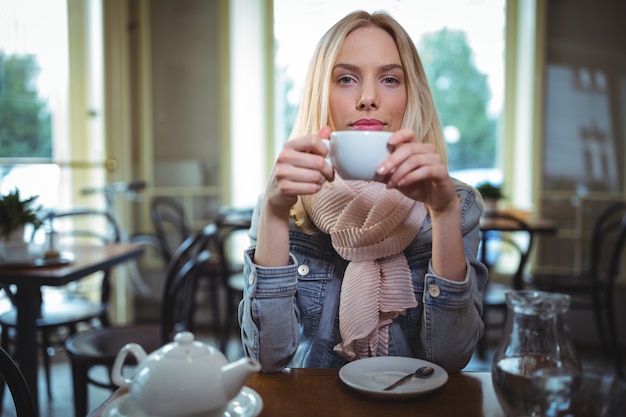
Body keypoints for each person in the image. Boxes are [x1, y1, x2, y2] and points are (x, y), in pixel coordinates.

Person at [238, 10, 487, 374]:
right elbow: (267, 358)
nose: (368, 98)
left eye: (389, 79)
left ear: (411, 94)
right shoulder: (286, 203)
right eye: (346, 79)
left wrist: (444, 214)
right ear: (322, 94)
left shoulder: (456, 204)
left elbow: (451, 359)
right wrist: (275, 214)